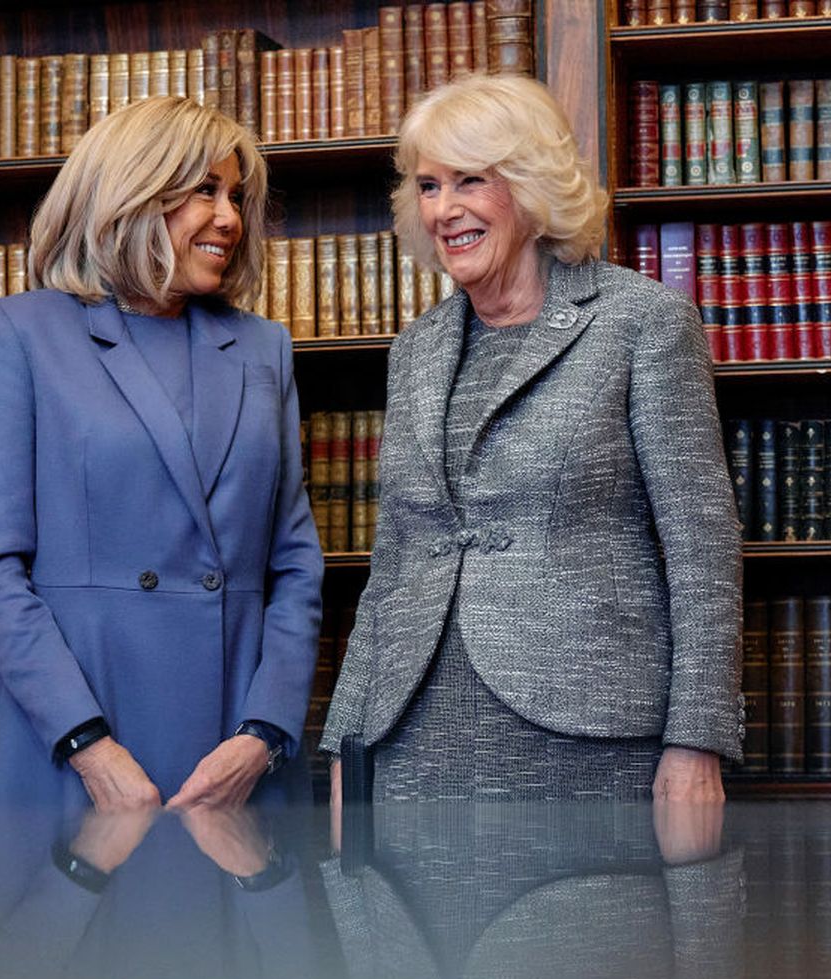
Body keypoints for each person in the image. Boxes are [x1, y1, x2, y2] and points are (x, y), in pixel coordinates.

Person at [319, 75, 744, 805]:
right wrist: (346, 741)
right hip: (411, 739)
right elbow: (394, 564)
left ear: (530, 184)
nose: (445, 209)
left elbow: (702, 543)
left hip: (586, 734)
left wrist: (696, 740)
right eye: (428, 186)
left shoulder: (642, 321)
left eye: (470, 182)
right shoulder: (414, 350)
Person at [0, 95, 323, 813]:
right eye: (204, 191)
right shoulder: (21, 334)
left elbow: (295, 566)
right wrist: (88, 747)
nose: (229, 217)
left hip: (237, 761)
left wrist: (263, 735)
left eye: (236, 196)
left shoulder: (262, 348)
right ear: (130, 193)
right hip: (75, 763)